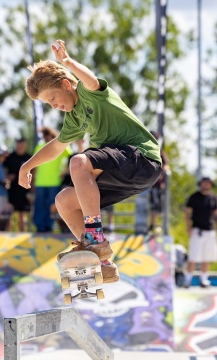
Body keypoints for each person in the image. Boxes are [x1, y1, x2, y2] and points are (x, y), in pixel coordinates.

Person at [20, 40, 163, 283]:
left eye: (53, 98)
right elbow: (56, 146)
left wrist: (67, 62)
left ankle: (96, 238)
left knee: (78, 162)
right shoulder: (74, 119)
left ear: (66, 84)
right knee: (64, 201)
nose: (54, 106)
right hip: (126, 174)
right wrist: (27, 165)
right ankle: (101, 262)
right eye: (48, 104)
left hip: (141, 158)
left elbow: (90, 80)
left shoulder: (90, 94)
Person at [184, 177, 217, 288]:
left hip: (210, 230)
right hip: (197, 230)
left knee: (207, 256)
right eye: (204, 183)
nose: (206, 185)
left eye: (208, 183)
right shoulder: (194, 197)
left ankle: (204, 280)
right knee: (193, 256)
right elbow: (187, 213)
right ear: (201, 184)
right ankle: (187, 280)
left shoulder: (213, 198)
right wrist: (188, 227)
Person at [31, 127, 72, 232]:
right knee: (40, 205)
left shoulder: (59, 146)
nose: (45, 137)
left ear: (52, 135)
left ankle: (49, 226)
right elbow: (34, 165)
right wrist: (32, 182)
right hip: (40, 182)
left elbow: (70, 156)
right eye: (44, 135)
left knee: (52, 206)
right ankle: (40, 227)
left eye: (47, 135)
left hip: (54, 182)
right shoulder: (39, 146)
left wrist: (65, 170)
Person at [3, 138, 32, 231]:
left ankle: (22, 235)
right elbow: (3, 170)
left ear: (25, 146)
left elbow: (34, 172)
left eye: (22, 145)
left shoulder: (29, 157)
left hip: (24, 189)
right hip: (11, 189)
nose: (20, 147)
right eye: (18, 145)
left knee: (22, 214)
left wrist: (33, 189)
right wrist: (7, 177)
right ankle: (8, 235)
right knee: (8, 213)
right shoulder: (10, 157)